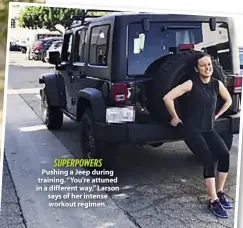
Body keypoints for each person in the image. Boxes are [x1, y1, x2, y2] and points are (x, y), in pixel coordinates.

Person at [163, 52, 233, 218]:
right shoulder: (191, 83)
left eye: (209, 64)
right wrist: (175, 117)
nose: (207, 68)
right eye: (203, 65)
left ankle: (220, 192)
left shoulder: (216, 84)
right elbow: (168, 98)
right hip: (191, 129)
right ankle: (213, 200)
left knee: (224, 154)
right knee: (208, 159)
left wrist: (216, 116)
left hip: (208, 128)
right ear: (197, 68)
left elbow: (228, 100)